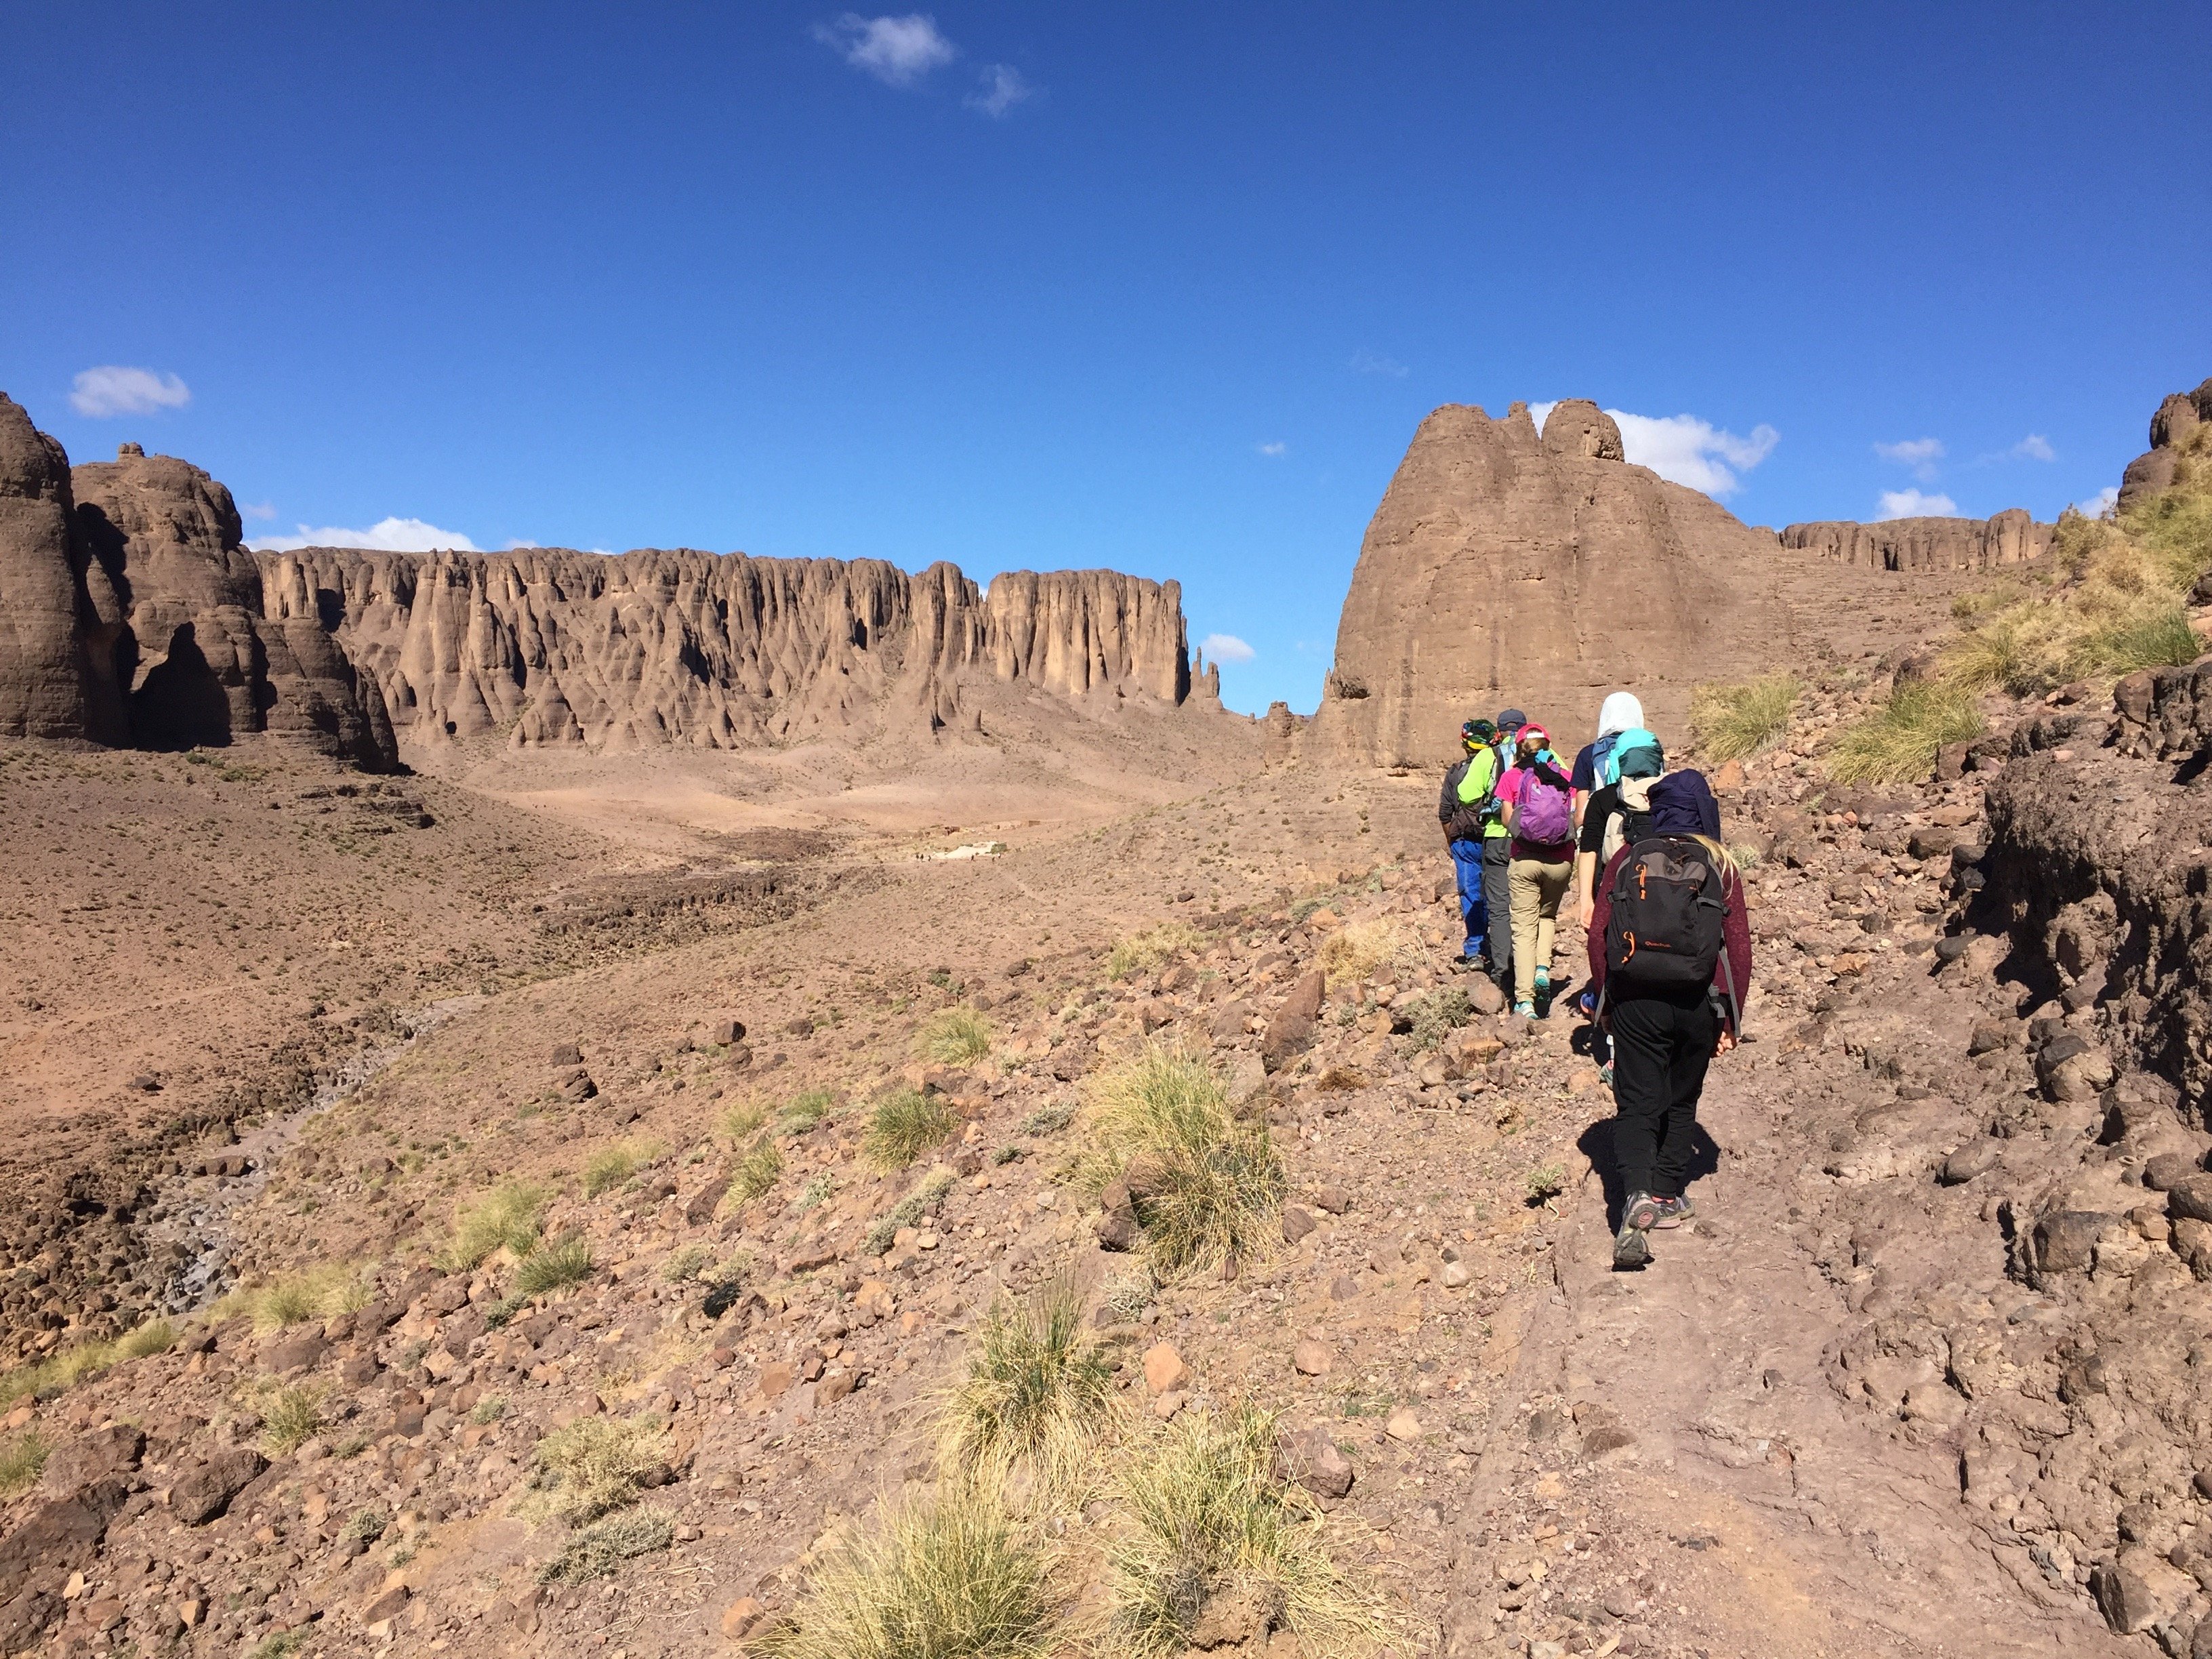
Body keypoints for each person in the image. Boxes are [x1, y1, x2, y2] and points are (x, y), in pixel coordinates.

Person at [1584, 770, 1750, 1269]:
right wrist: (1731, 1018)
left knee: (1637, 1102)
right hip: (1697, 1001)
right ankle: (1666, 1193)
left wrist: (1605, 1000)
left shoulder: (1628, 858)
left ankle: (1634, 1194)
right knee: (1682, 1097)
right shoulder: (1721, 864)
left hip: (1635, 997)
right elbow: (1737, 949)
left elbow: (1599, 935)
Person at [1494, 722, 1577, 1018]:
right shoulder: (1566, 776)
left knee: (1523, 930)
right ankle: (1543, 968)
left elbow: (1506, 820)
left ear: (1519, 748)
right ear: (1548, 745)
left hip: (1525, 860)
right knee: (1547, 916)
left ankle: (1525, 1001)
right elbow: (1577, 817)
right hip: (1561, 861)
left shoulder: (1512, 776)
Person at [1437, 718, 1502, 967]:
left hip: (1466, 843)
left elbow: (1445, 814)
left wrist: (1452, 844)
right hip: (1497, 839)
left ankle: (1476, 950)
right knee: (1498, 894)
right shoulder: (1502, 767)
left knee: (1471, 894)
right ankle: (1500, 949)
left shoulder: (1456, 772)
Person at [1483, 708, 1528, 995]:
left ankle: (1503, 973)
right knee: (1529, 909)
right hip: (1532, 839)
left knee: (1500, 909)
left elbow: (1466, 793)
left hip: (1498, 836)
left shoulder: (1490, 756)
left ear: (1499, 730)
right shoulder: (1547, 754)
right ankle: (1533, 972)